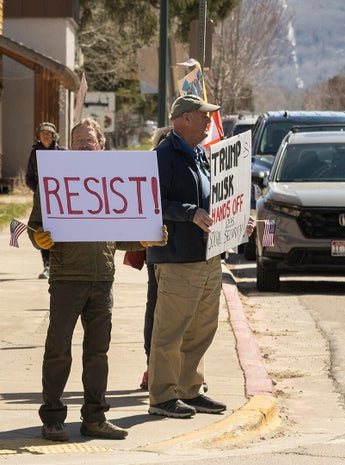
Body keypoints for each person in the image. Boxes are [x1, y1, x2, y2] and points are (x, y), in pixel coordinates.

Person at [28, 117, 160, 442]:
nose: (85, 145)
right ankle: (53, 420)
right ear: (70, 146)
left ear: (102, 145)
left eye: (90, 140)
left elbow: (117, 237)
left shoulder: (111, 183)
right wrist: (38, 238)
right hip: (65, 280)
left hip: (102, 282)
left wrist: (144, 239)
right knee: (58, 350)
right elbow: (35, 226)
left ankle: (95, 418)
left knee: (98, 353)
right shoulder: (54, 181)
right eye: (79, 141)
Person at [148, 95, 253, 419]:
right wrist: (189, 212)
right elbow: (151, 200)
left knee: (200, 329)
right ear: (183, 120)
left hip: (207, 257)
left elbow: (214, 201)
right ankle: (162, 396)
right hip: (177, 257)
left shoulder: (199, 155)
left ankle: (189, 390)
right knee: (170, 331)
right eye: (203, 116)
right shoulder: (164, 155)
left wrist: (236, 221)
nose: (209, 122)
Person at [135, 126, 174, 390]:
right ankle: (152, 366)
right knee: (156, 308)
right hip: (158, 252)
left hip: (186, 253)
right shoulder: (149, 171)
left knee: (180, 314)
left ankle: (184, 368)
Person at [25, 122, 67, 279]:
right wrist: (41, 190)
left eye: (48, 133)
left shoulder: (62, 152)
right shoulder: (35, 153)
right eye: (42, 133)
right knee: (42, 231)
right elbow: (28, 178)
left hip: (62, 197)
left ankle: (59, 264)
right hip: (43, 199)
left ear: (54, 136)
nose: (45, 135)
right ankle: (47, 265)